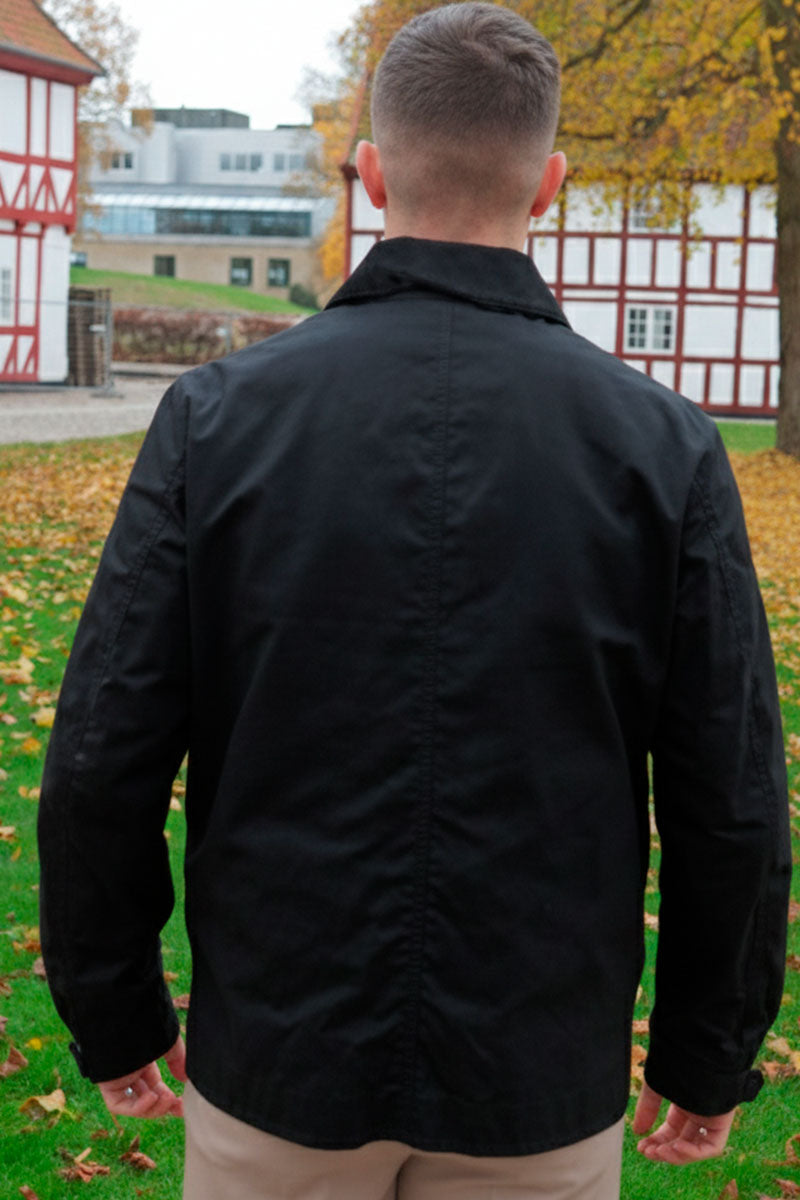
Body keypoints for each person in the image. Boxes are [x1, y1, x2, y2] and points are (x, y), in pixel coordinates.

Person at [38, 4, 790, 1198]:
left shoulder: (218, 420)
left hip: (282, 1052)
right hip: (534, 1068)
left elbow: (100, 754)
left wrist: (114, 1005)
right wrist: (707, 1045)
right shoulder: (662, 447)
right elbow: (729, 795)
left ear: (371, 173)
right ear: (547, 185)